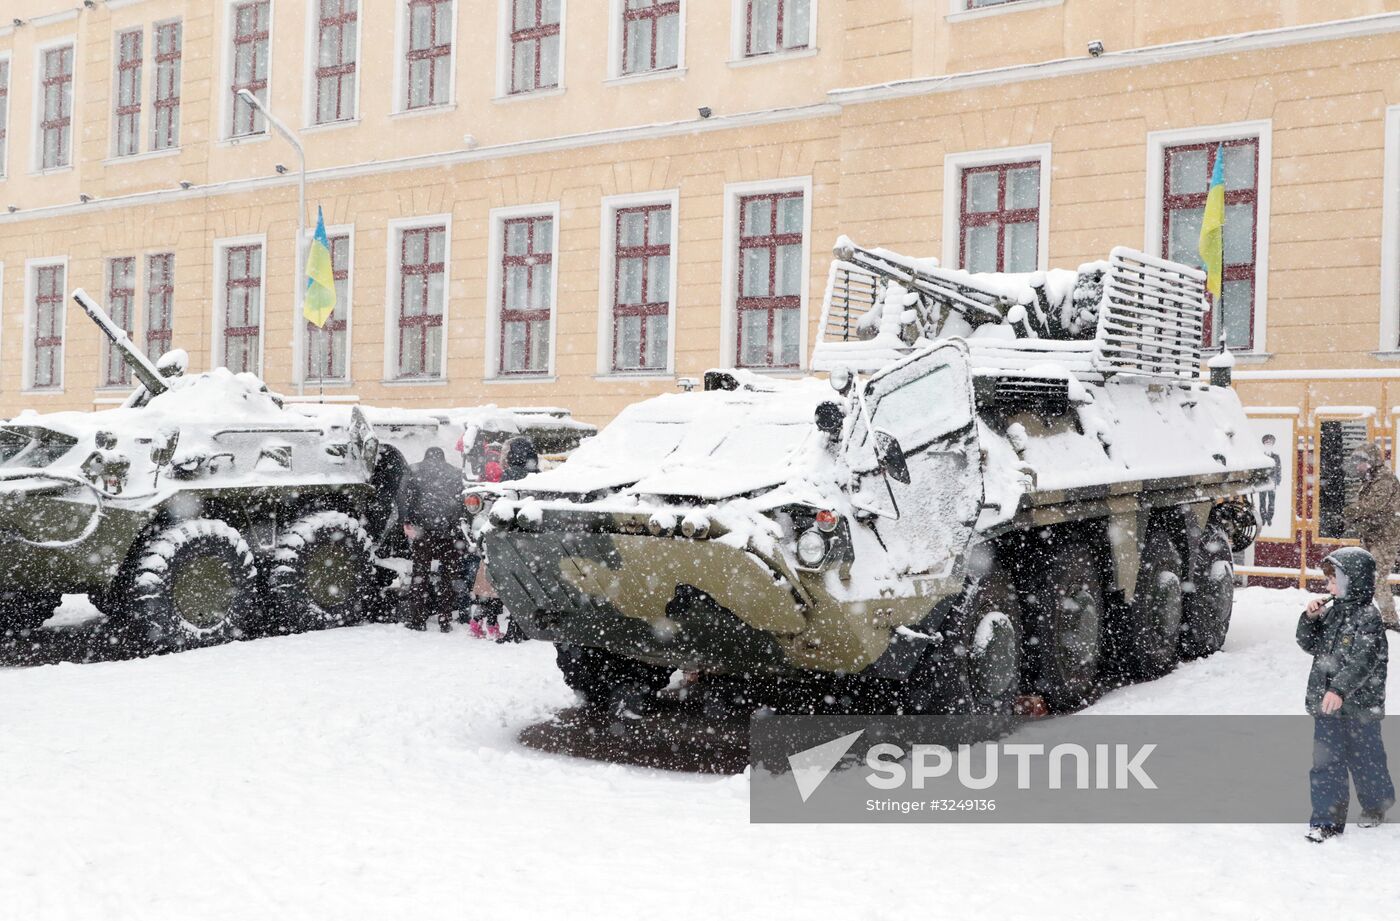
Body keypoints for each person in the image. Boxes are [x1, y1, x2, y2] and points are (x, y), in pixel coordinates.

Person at [1298, 547, 1393, 842]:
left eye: (1334, 580)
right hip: (1327, 705)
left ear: (1354, 581)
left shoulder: (1369, 618)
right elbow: (1309, 644)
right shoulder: (1333, 613)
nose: (1328, 587)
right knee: (1326, 761)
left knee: (1366, 758)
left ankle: (1377, 804)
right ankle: (1326, 821)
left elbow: (1363, 661)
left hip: (1360, 705)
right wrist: (1310, 619)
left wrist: (1340, 688)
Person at [399, 446, 466, 632]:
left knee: (420, 574)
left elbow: (404, 498)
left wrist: (407, 521)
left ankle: (418, 618)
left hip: (423, 531)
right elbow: (462, 501)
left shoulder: (414, 470)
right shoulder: (456, 473)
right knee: (449, 576)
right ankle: (445, 619)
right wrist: (455, 526)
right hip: (449, 531)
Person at [1342, 441, 1400, 629]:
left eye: (1361, 462)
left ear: (1372, 461)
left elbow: (1373, 506)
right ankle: (1360, 615)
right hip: (1371, 535)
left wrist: (1348, 513)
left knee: (1376, 578)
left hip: (1384, 538)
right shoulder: (1369, 480)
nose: (1357, 466)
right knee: (1361, 575)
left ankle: (1390, 620)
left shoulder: (1384, 480)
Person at [1259, 434, 1281, 527]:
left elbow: (1279, 469)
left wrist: (1278, 480)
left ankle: (1269, 518)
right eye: (1267, 442)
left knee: (1271, 501)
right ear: (1264, 444)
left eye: (1270, 442)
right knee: (1262, 501)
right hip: (1262, 483)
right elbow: (1258, 470)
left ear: (1272, 444)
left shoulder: (1276, 457)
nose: (1268, 444)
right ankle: (1263, 517)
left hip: (1272, 482)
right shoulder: (1260, 456)